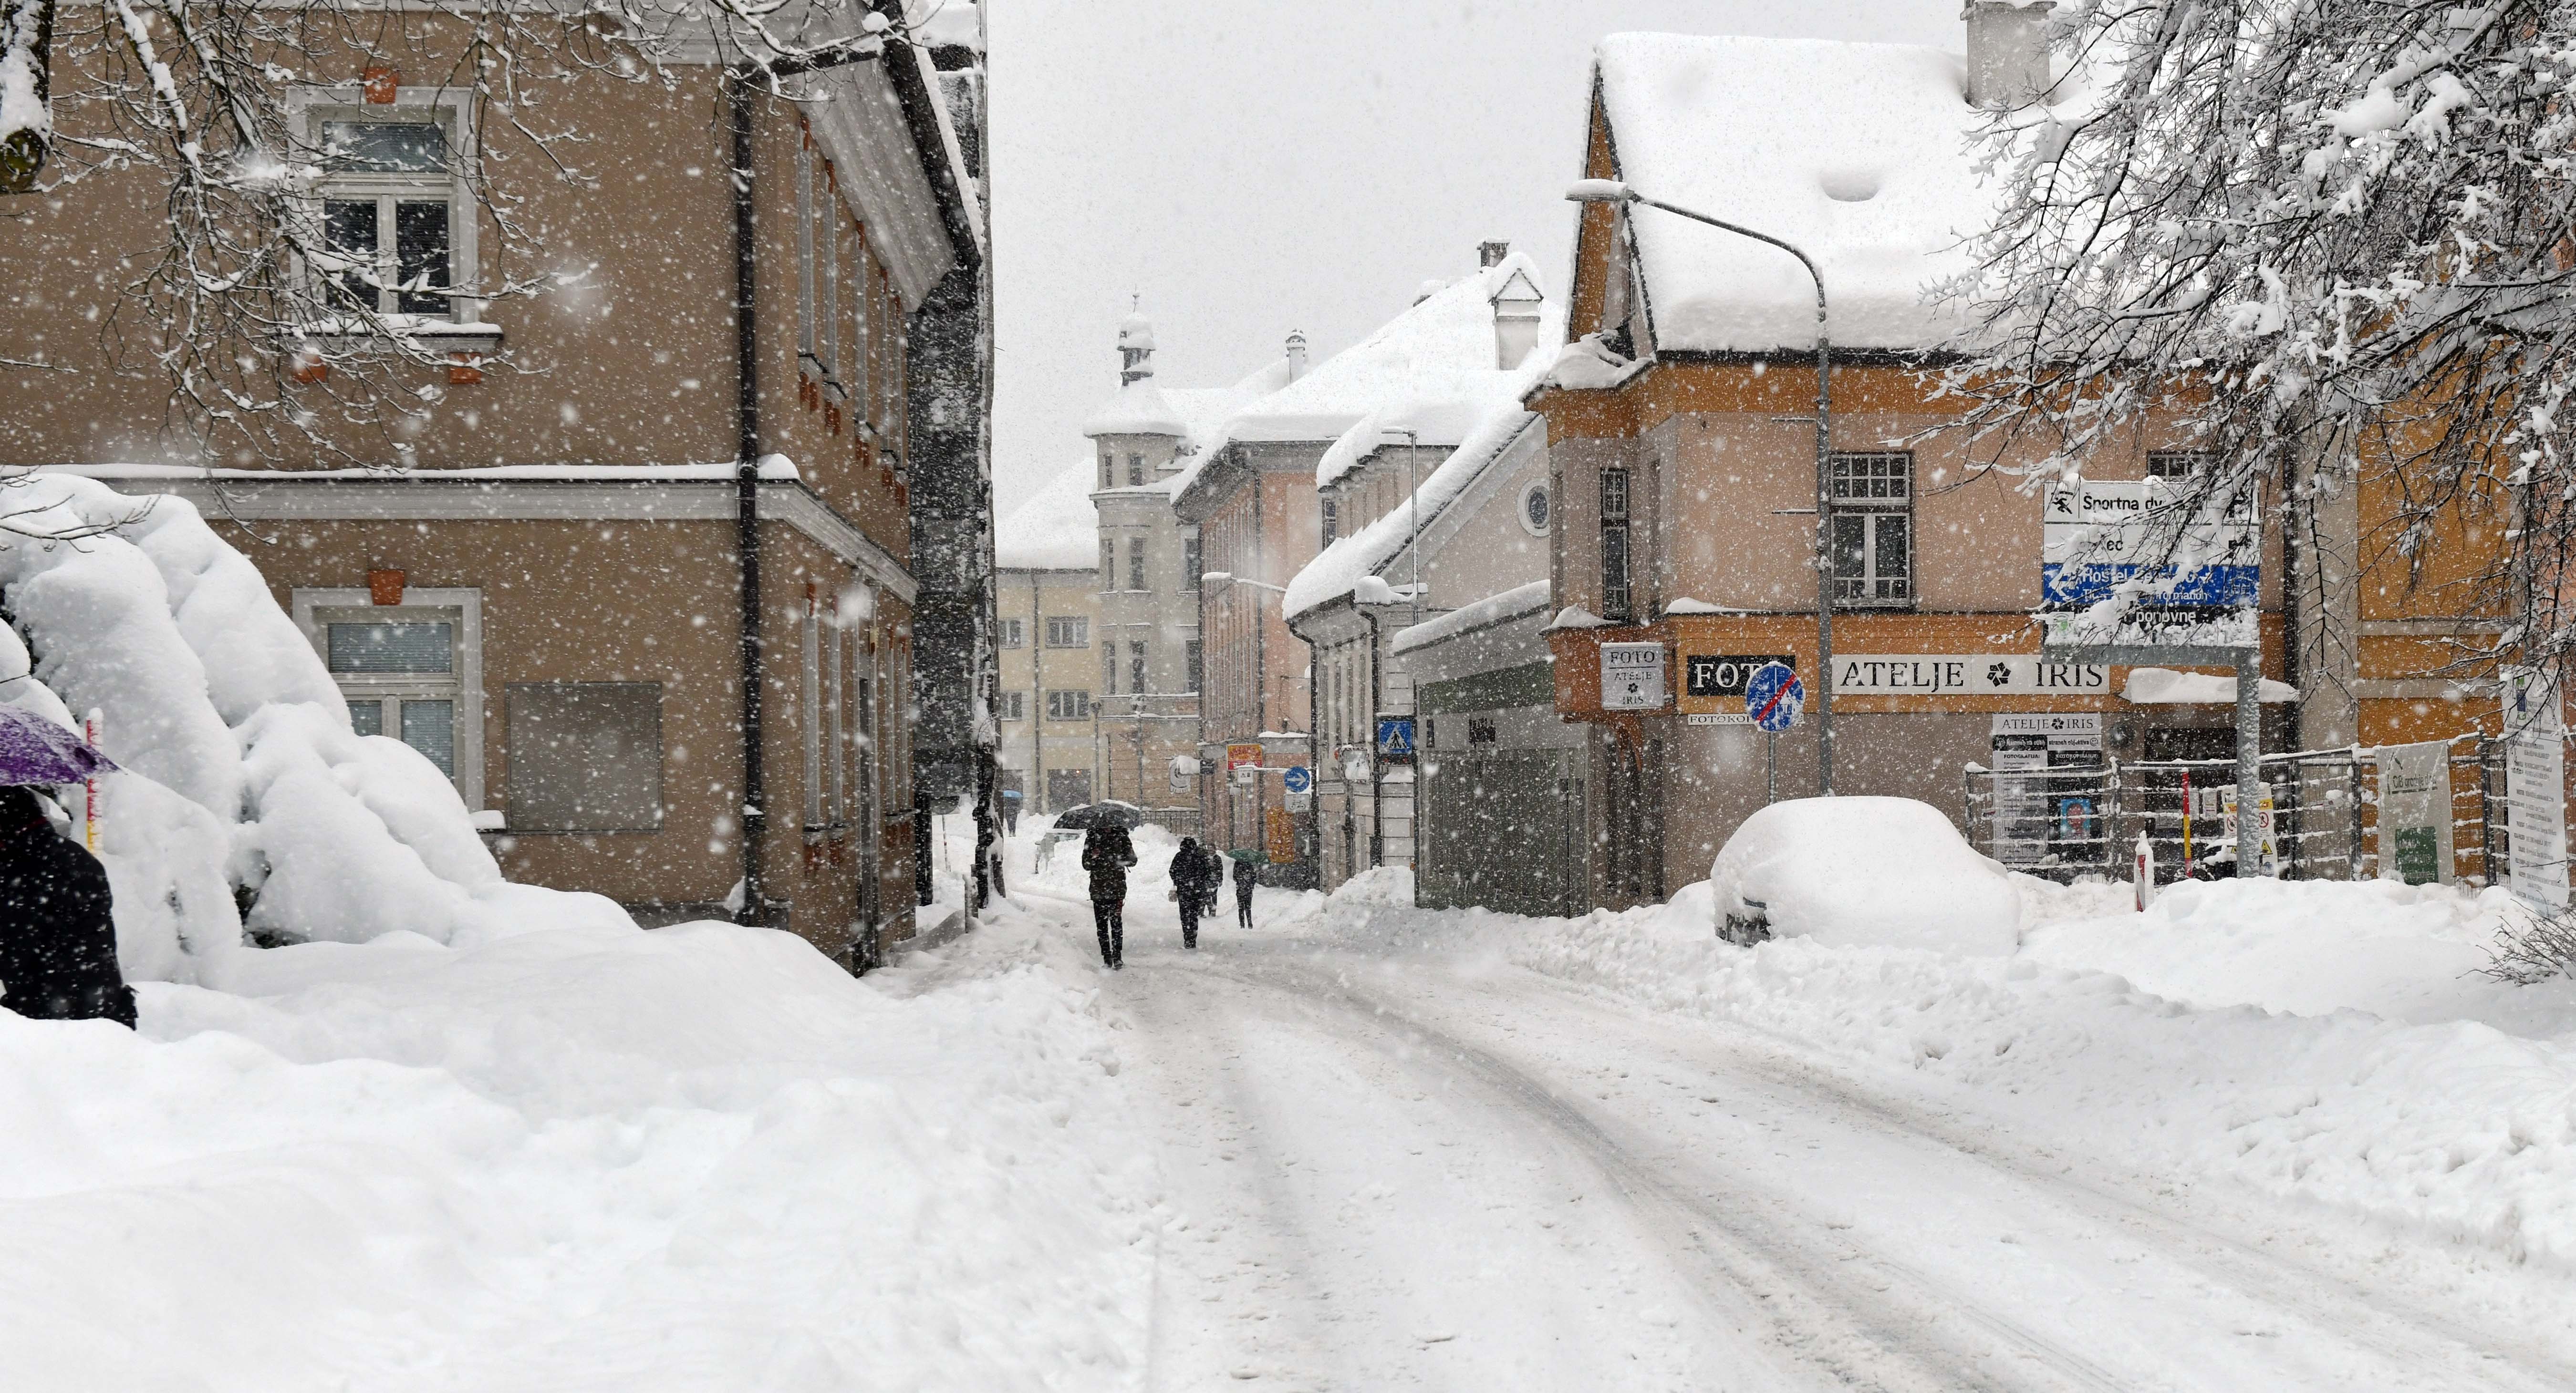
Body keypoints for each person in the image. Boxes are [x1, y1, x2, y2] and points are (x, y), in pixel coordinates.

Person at [0, 785, 135, 1029]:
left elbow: (17, 943)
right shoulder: (75, 855)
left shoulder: (21, 870)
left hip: (50, 1014)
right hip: (105, 1005)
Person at [1080, 822, 1138, 969]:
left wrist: (1119, 859)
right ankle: (1107, 957)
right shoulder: (1092, 839)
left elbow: (1133, 861)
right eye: (1104, 825)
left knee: (1116, 924)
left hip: (1117, 889)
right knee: (1102, 926)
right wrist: (1093, 856)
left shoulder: (1122, 838)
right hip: (1098, 890)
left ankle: (1117, 956)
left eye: (1109, 824)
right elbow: (1086, 865)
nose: (1107, 827)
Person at [1169, 836, 1221, 950]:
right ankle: (1193, 939)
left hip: (1183, 891)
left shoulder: (1179, 856)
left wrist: (1179, 882)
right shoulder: (1200, 857)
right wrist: (1199, 882)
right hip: (1196, 891)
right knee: (1193, 915)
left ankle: (1187, 937)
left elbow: (1172, 871)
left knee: (1184, 915)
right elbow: (1207, 872)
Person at [1231, 852, 1257, 929]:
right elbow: (1254, 877)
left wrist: (1240, 880)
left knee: (1241, 908)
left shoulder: (1238, 865)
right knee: (1248, 907)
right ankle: (1249, 923)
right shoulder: (1249, 865)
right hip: (1247, 889)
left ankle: (1243, 924)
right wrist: (1251, 884)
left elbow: (1235, 877)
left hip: (1241, 889)